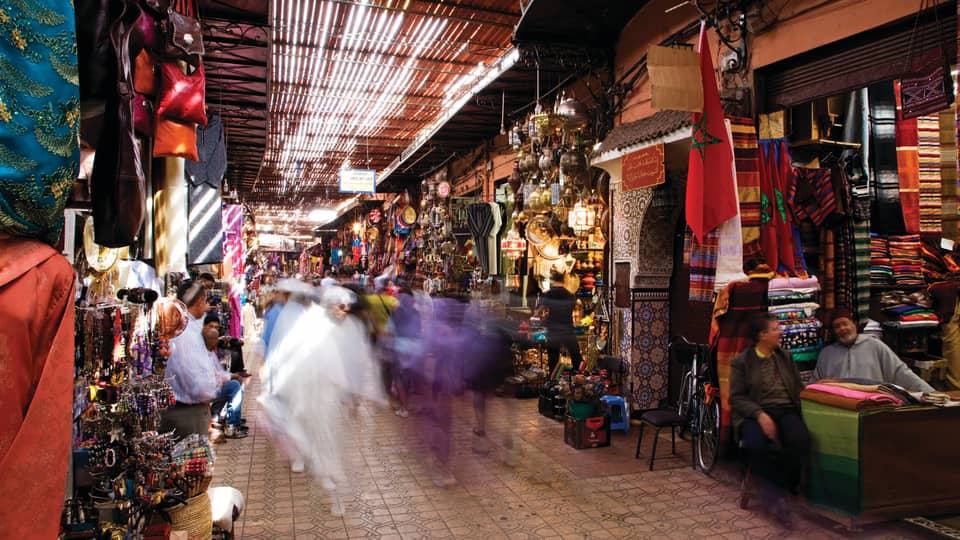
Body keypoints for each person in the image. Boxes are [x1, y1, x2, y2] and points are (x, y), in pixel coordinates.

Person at [729, 314, 810, 529]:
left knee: (800, 440)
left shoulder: (785, 357)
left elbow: (798, 388)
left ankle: (785, 488)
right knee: (757, 445)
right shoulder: (742, 362)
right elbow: (736, 398)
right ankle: (774, 500)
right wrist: (760, 415)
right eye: (775, 329)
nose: (780, 332)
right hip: (756, 412)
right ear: (762, 335)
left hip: (785, 410)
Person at [814, 310, 935, 392]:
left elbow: (900, 371)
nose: (842, 329)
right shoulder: (827, 354)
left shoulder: (874, 345)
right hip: (840, 408)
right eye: (837, 326)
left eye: (845, 323)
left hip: (872, 404)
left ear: (854, 325)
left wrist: (930, 393)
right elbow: (815, 383)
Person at [161, 282, 222, 439]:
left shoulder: (181, 326)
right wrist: (210, 390)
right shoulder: (187, 333)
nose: (206, 305)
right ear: (199, 302)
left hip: (181, 410)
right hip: (188, 414)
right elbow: (195, 379)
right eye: (205, 300)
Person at [203, 319, 247, 440]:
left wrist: (230, 376)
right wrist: (230, 376)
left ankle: (225, 417)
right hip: (206, 390)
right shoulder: (203, 353)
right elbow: (211, 376)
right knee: (234, 386)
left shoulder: (210, 351)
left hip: (211, 387)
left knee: (236, 383)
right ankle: (231, 425)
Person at [538, 271, 582, 376]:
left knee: (553, 357)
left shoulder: (547, 294)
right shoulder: (570, 295)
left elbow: (538, 312)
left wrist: (544, 319)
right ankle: (577, 378)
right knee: (575, 355)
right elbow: (574, 310)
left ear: (552, 280)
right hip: (567, 328)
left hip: (553, 329)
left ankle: (553, 380)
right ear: (564, 280)